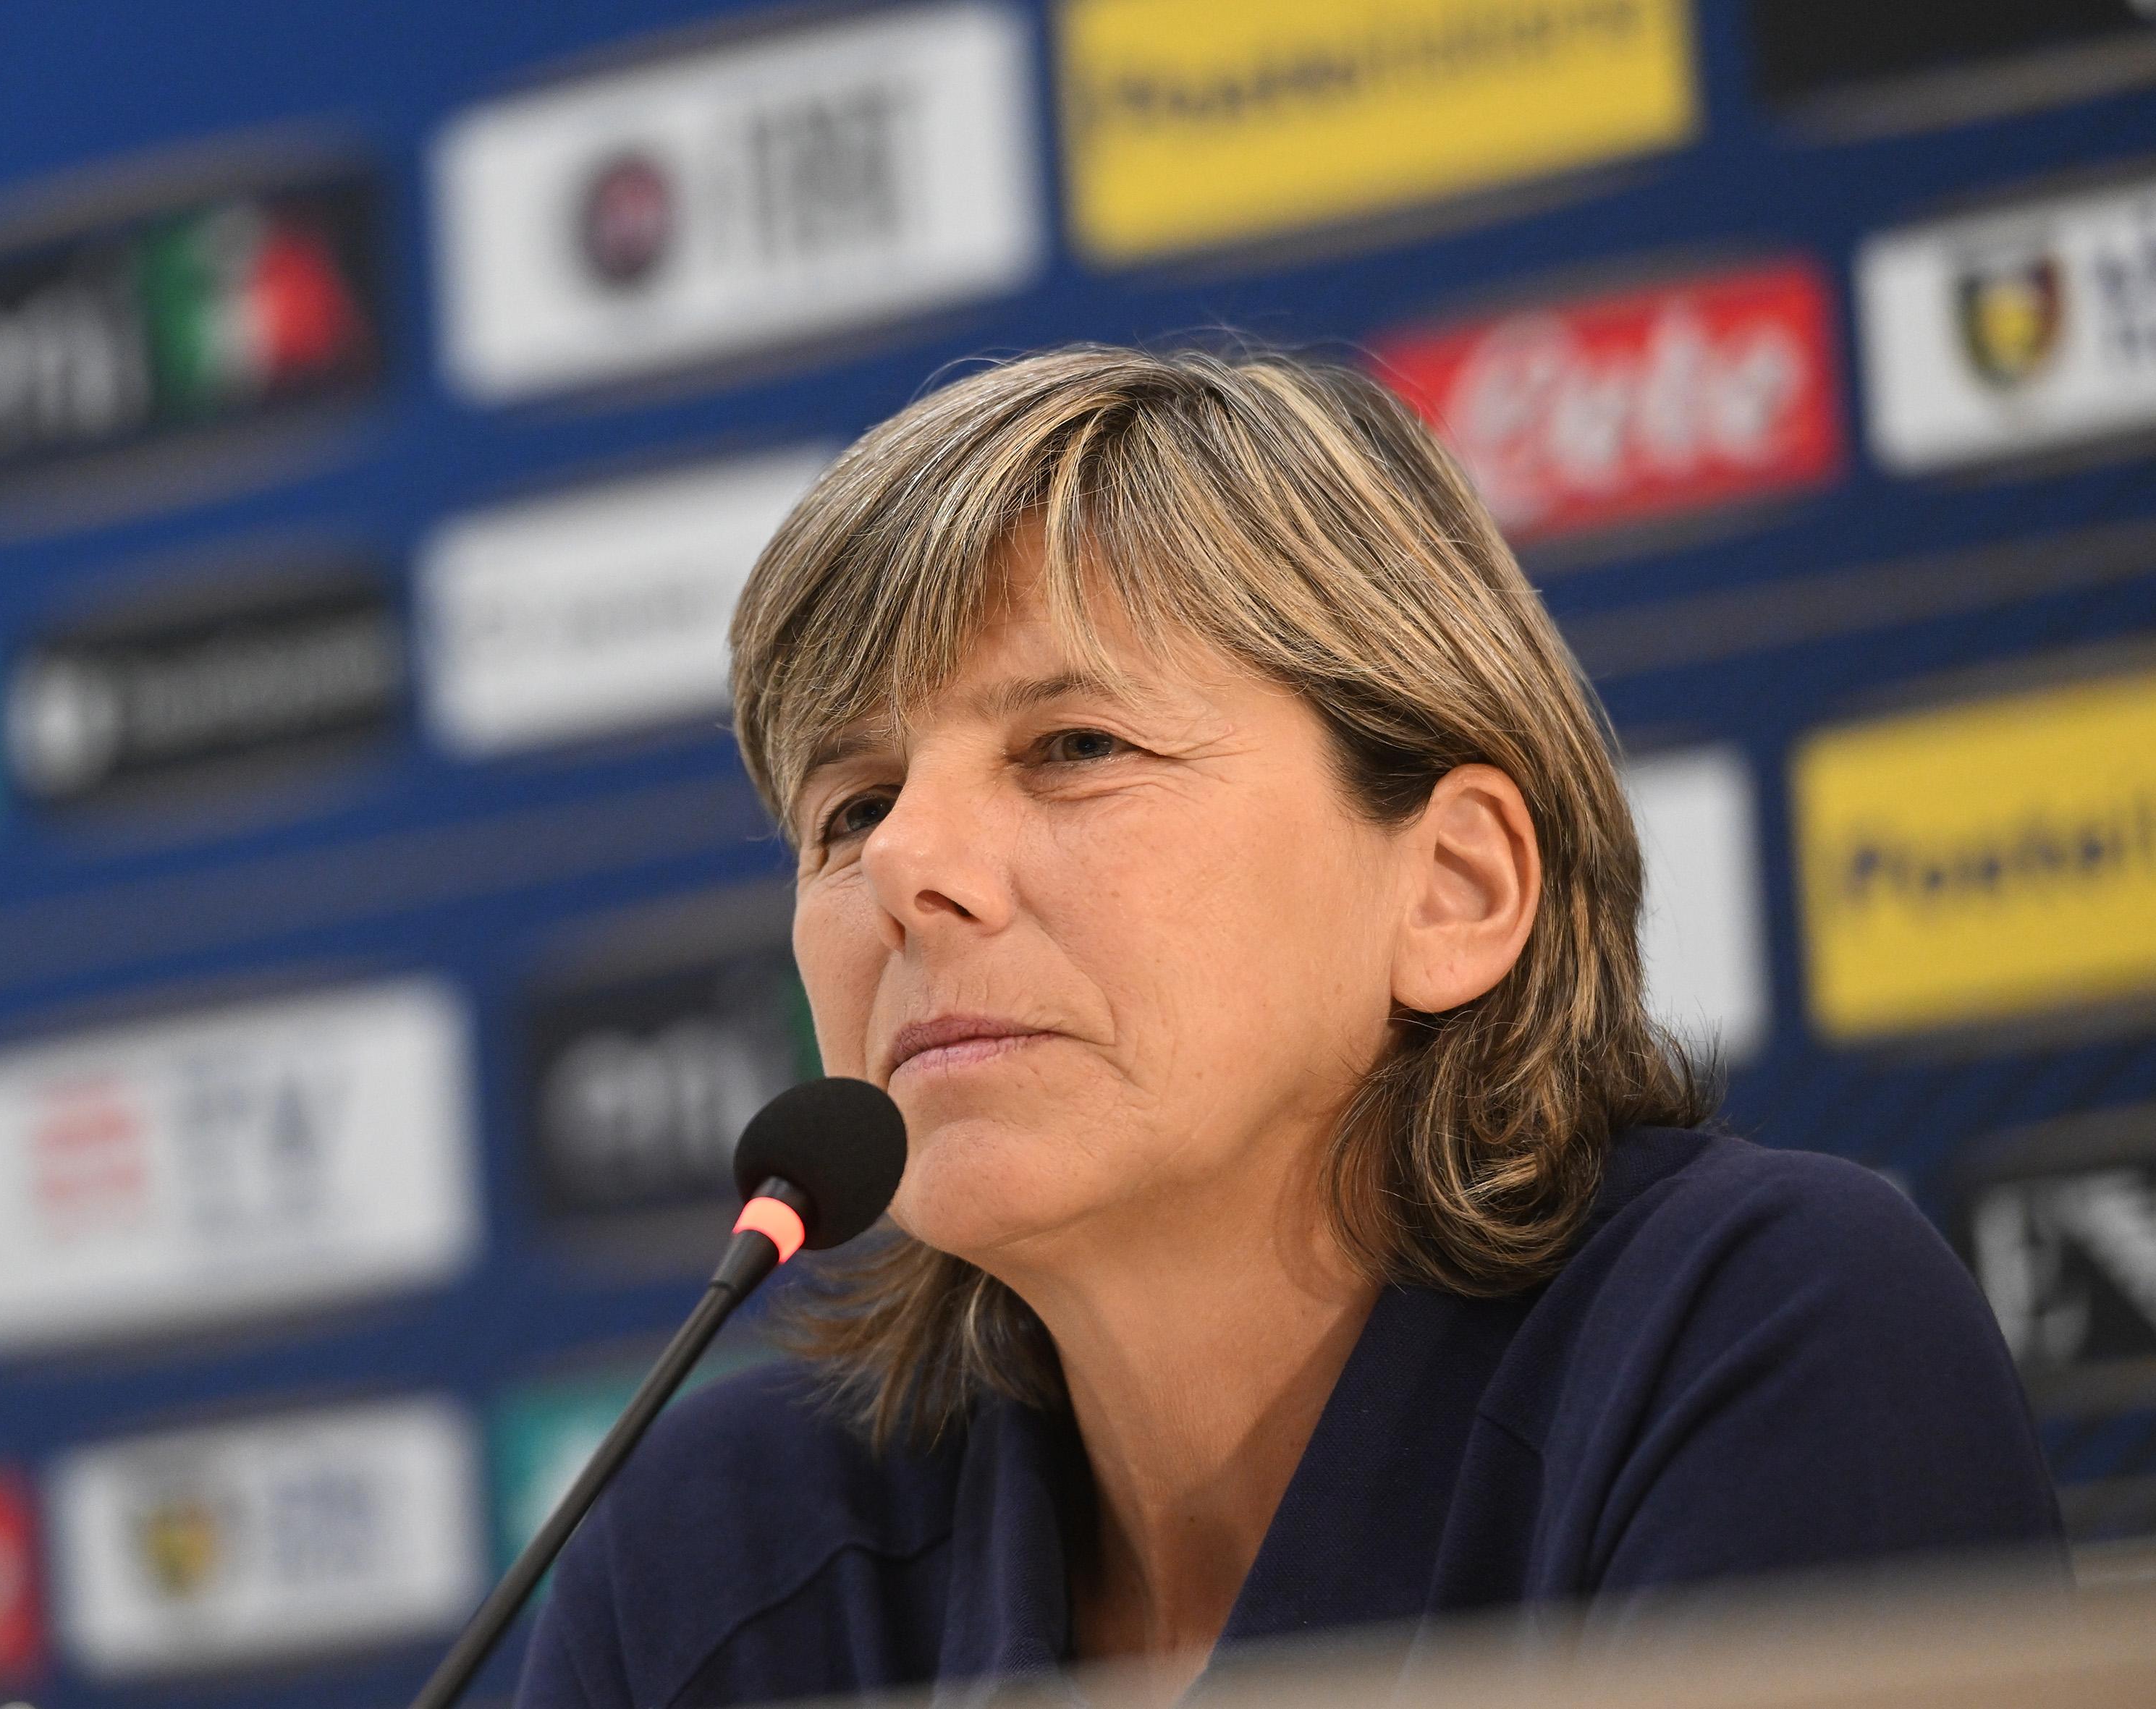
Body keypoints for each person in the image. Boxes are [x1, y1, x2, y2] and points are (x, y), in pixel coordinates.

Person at [515, 345, 2063, 1709]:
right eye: (850, 807)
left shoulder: (1754, 1335)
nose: (909, 864)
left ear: (1451, 890)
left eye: (1071, 744)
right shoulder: (709, 1554)